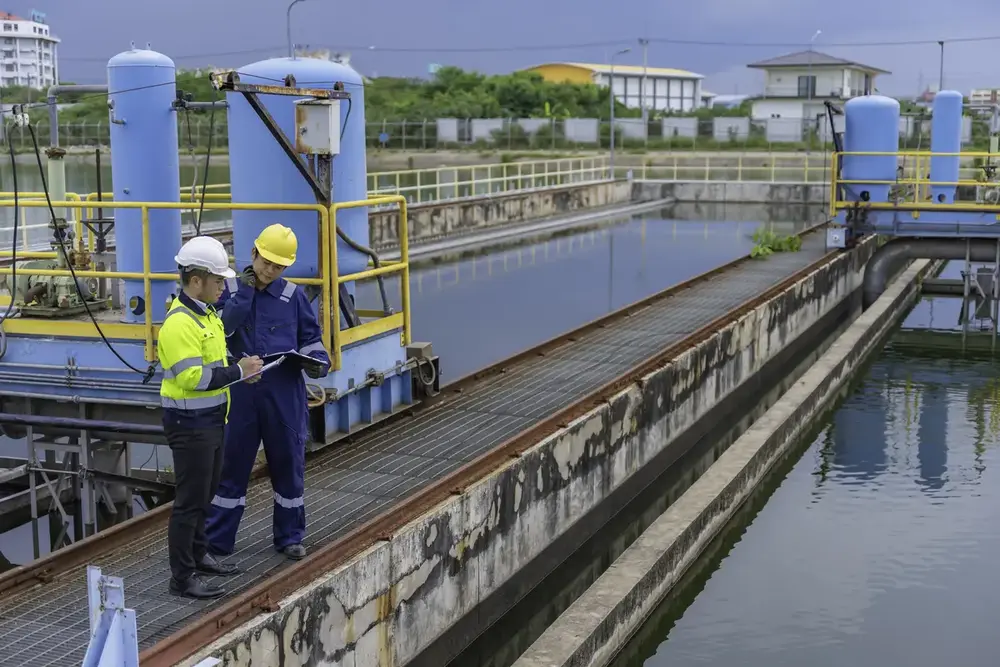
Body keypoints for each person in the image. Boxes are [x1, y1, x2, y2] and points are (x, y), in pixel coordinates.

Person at [205, 223, 331, 561]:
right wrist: (244, 294)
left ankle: (290, 537)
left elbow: (311, 337)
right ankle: (217, 542)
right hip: (241, 393)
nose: (270, 270)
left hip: (284, 391)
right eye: (265, 262)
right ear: (253, 254)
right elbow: (222, 330)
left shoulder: (293, 296)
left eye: (278, 266)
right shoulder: (228, 291)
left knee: (288, 464)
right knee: (232, 466)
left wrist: (319, 359)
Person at [158, 236, 263, 599]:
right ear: (196, 280)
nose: (223, 286)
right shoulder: (179, 324)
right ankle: (181, 578)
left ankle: (199, 555)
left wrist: (241, 371)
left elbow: (215, 366)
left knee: (205, 494)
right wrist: (239, 372)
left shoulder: (206, 315)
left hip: (211, 420)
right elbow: (194, 378)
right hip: (190, 425)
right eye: (218, 280)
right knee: (189, 501)